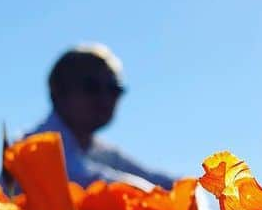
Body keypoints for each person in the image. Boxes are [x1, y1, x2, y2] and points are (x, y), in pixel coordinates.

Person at [10, 44, 176, 193]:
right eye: (91, 87)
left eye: (114, 89)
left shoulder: (102, 152)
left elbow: (167, 183)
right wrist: (160, 197)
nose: (104, 98)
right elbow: (85, 180)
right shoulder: (33, 146)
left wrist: (189, 192)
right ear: (58, 93)